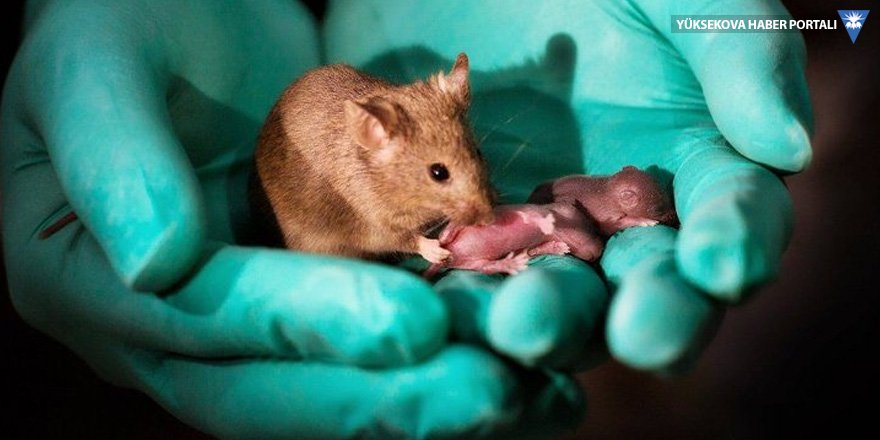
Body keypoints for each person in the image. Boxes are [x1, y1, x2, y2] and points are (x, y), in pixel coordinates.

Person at [0, 0, 811, 438]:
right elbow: (388, 215)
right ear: (377, 137)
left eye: (470, 163)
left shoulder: (434, 117)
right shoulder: (370, 161)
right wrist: (425, 238)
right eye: (441, 176)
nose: (475, 192)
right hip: (322, 227)